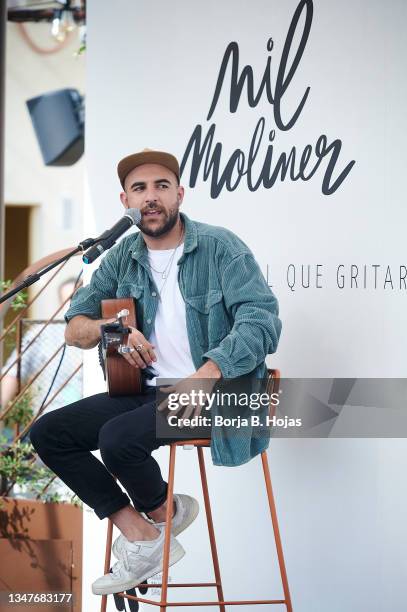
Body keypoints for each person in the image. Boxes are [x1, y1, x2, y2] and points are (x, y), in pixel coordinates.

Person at [29, 148, 282, 596]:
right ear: (125, 200)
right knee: (49, 433)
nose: (151, 197)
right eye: (140, 189)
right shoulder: (122, 256)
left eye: (161, 186)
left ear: (179, 194)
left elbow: (261, 322)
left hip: (216, 393)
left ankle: (163, 514)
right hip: (147, 393)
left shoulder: (222, 247)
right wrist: (112, 329)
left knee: (117, 439)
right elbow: (75, 328)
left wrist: (208, 372)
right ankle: (146, 530)